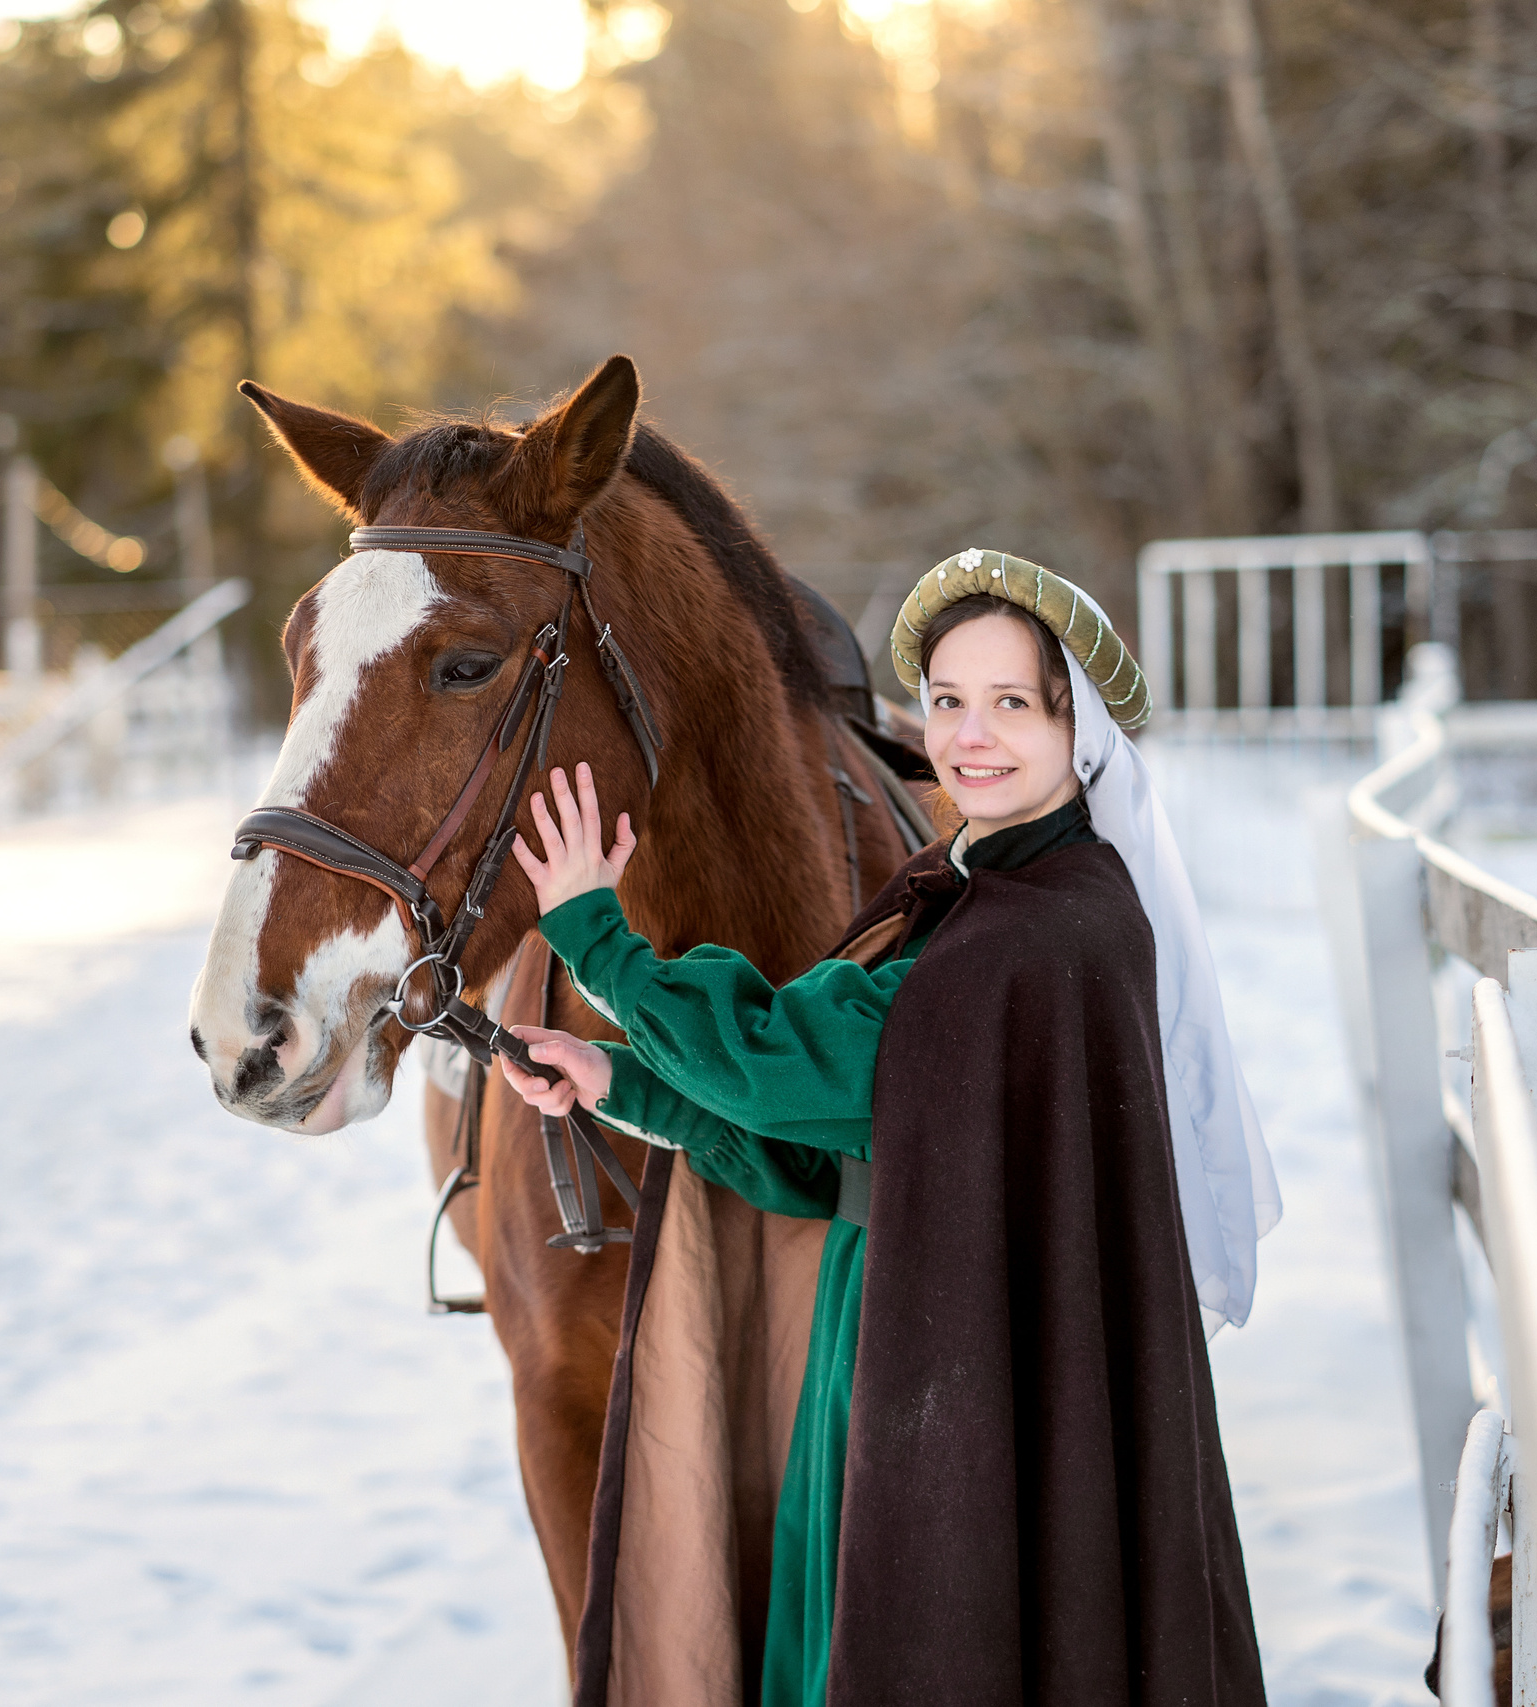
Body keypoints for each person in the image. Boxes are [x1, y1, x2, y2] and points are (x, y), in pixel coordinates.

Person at [501, 549, 1280, 1706]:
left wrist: (597, 940)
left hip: (948, 1384)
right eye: (950, 701)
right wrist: (622, 1086)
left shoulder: (1039, 938)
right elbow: (848, 1146)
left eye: (1012, 703)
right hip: (904, 1349)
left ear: (1082, 732)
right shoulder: (972, 896)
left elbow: (780, 1067)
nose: (970, 735)